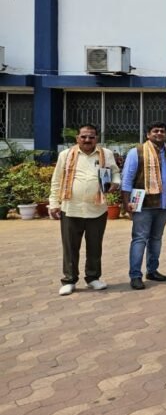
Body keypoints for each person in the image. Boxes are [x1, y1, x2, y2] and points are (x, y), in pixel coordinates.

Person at [49, 124, 121, 295]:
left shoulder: (106, 154)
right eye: (83, 137)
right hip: (71, 208)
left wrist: (115, 183)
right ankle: (69, 280)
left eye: (91, 137)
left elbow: (115, 172)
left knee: (95, 246)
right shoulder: (66, 155)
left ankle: (93, 278)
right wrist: (54, 203)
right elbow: (57, 180)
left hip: (97, 209)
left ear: (97, 138)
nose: (87, 140)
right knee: (70, 247)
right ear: (77, 138)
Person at [120, 121, 166, 290]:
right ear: (148, 134)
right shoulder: (137, 152)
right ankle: (135, 275)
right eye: (155, 131)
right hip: (142, 204)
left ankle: (152, 270)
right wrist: (126, 203)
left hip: (164, 204)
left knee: (156, 239)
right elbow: (127, 179)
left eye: (162, 131)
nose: (159, 133)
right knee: (140, 239)